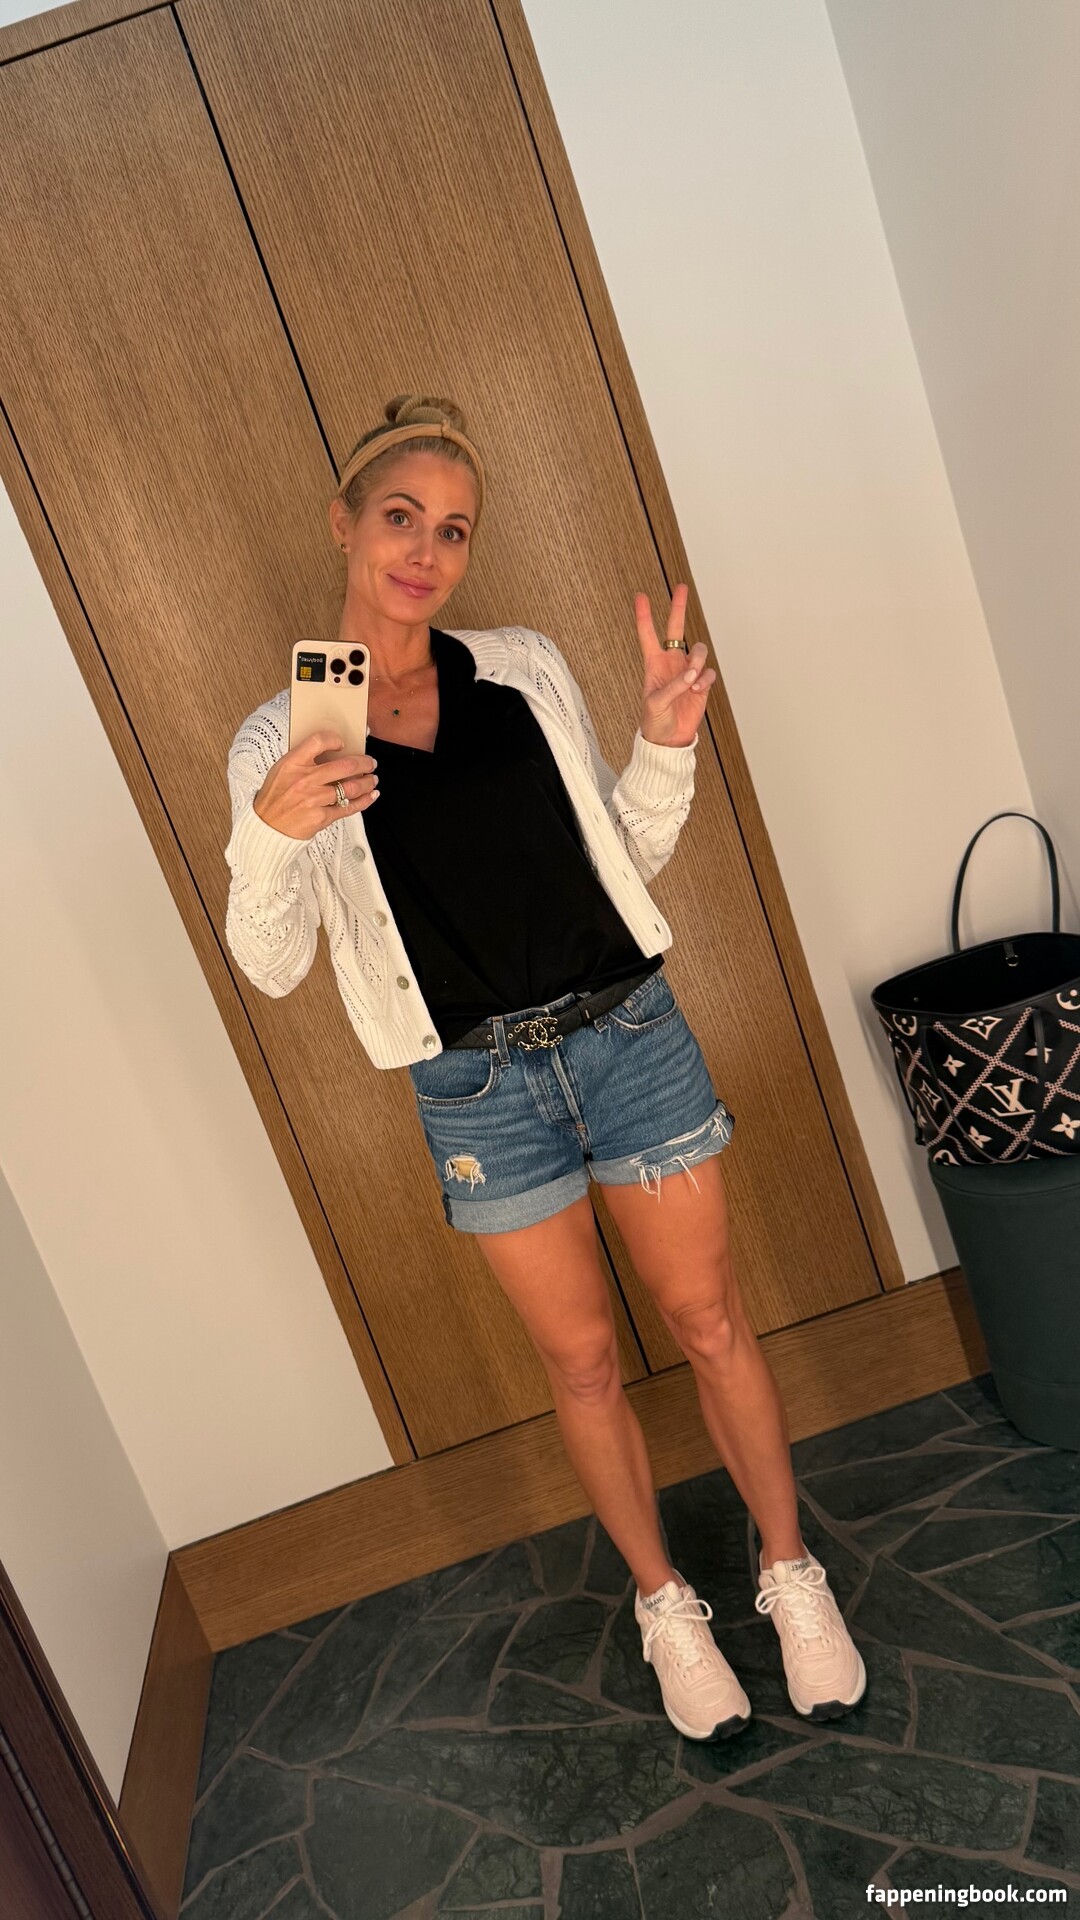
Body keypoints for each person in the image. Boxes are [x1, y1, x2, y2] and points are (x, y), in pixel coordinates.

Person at [223, 393, 866, 1740]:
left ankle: (790, 1572)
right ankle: (664, 1606)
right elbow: (273, 966)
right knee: (580, 1364)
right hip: (478, 1093)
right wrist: (271, 835)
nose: (425, 551)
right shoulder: (284, 737)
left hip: (629, 1036)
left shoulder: (519, 668)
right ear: (343, 523)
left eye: (454, 529)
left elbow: (623, 857)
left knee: (710, 1321)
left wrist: (666, 745)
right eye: (401, 517)